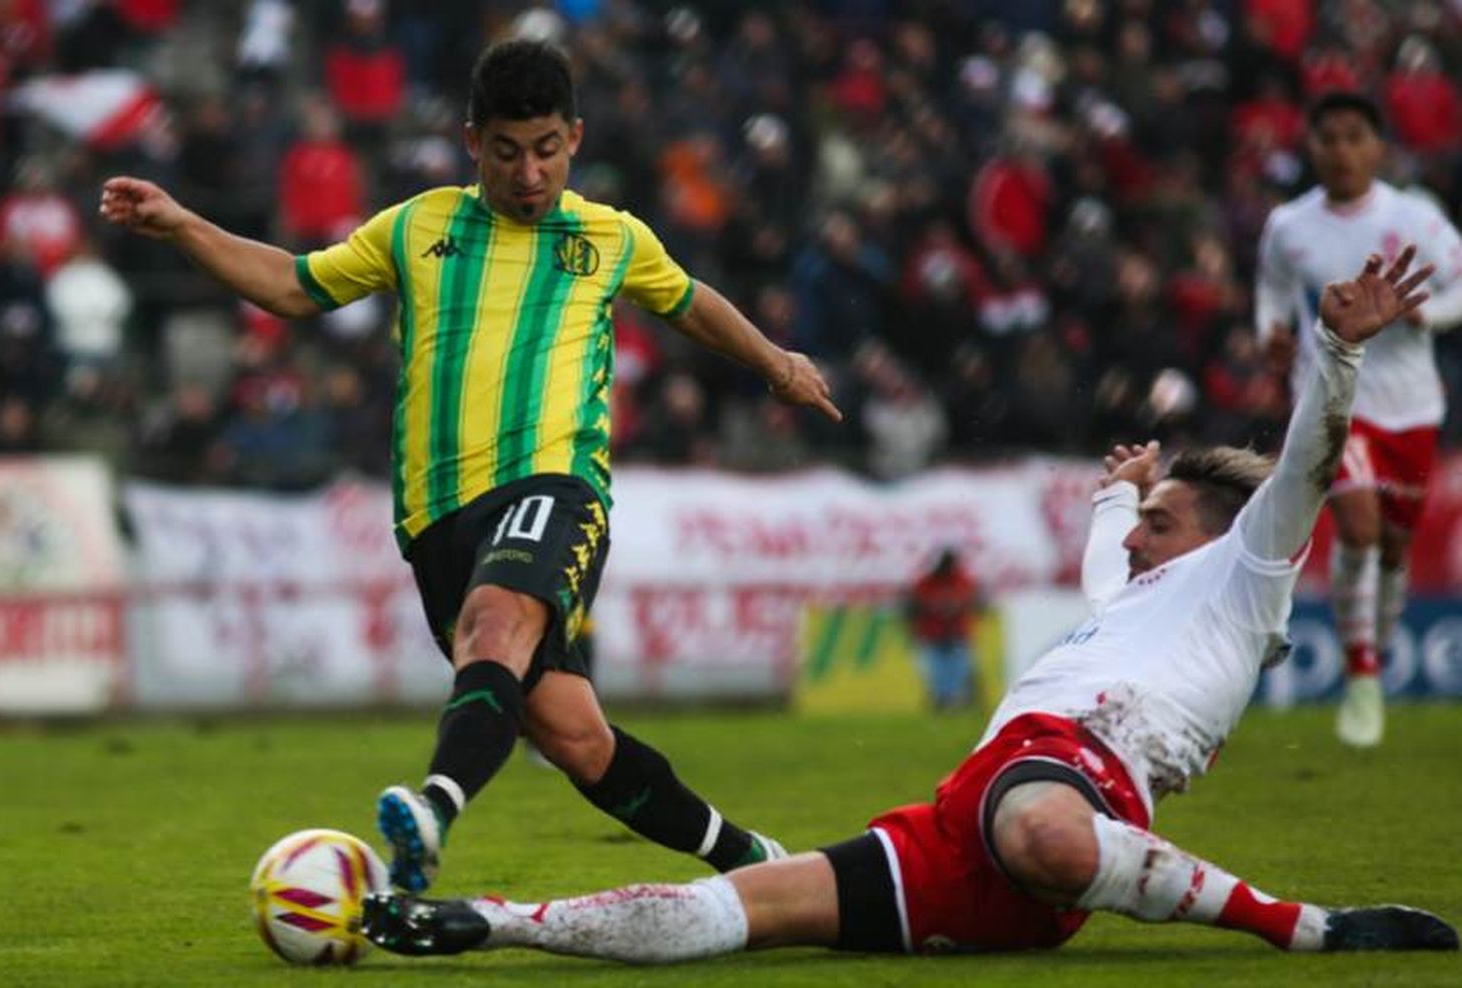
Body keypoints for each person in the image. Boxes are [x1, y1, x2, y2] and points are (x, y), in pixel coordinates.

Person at [361, 249, 1457, 962]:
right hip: (971, 813)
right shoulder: (1135, 595)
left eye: (1161, 520)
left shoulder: (1246, 577)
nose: (1136, 539)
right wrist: (1120, 493)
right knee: (745, 914)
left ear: (1227, 535)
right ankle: (480, 921)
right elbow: (1101, 567)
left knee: (1050, 837)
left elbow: (1306, 467)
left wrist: (1336, 349)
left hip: (1069, 782)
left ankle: (1312, 929)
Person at [100, 38, 841, 893]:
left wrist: (776, 363)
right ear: (471, 144)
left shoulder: (609, 239)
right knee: (577, 739)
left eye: (548, 149)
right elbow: (293, 286)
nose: (530, 173)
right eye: (508, 151)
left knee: (493, 626)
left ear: (576, 138)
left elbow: (692, 302)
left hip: (554, 486)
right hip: (436, 520)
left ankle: (431, 813)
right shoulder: (418, 228)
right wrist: (185, 223)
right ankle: (756, 863)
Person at [1256, 91, 1462, 747]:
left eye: (1354, 136)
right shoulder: (1288, 225)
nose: (1341, 150)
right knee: (1357, 522)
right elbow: (1272, 293)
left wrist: (1426, 314)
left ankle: (1375, 646)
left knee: (1394, 547)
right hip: (1331, 395)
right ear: (1311, 148)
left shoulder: (1417, 218)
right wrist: (1272, 334)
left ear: (1377, 147)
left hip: (1411, 403)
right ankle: (1362, 675)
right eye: (1328, 138)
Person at [903, 547, 982, 710]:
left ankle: (963, 700)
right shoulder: (926, 582)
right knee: (938, 672)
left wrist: (953, 607)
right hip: (934, 633)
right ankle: (942, 701)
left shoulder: (962, 580)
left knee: (960, 669)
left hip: (957, 633)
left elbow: (975, 600)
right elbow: (911, 606)